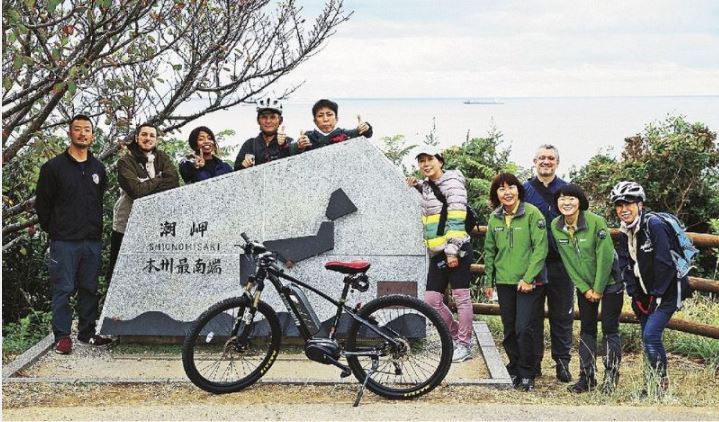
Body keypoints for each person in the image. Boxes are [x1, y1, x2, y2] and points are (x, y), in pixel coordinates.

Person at [35, 114, 113, 353]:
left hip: (91, 239)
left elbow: (99, 199)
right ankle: (62, 336)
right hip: (64, 241)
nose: (82, 134)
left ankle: (87, 332)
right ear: (70, 133)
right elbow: (43, 206)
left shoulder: (98, 167)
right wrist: (56, 230)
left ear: (93, 135)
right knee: (63, 288)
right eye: (77, 129)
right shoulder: (52, 168)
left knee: (89, 287)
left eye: (87, 130)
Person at [611, 181, 690, 396]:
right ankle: (652, 386)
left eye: (628, 203)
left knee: (650, 336)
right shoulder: (624, 231)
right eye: (619, 205)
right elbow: (626, 264)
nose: (623, 209)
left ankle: (659, 388)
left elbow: (664, 262)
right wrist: (636, 295)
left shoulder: (653, 224)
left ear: (640, 204)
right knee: (649, 337)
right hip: (645, 294)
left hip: (668, 291)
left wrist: (656, 295)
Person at [550, 184, 623, 394]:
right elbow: (568, 261)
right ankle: (587, 377)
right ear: (557, 203)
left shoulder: (595, 221)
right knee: (587, 330)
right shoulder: (556, 226)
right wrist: (584, 288)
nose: (567, 202)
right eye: (562, 199)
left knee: (610, 329)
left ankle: (610, 378)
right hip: (585, 287)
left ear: (580, 201)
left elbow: (605, 256)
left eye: (572, 198)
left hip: (609, 282)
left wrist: (598, 288)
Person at [405, 146, 474, 363]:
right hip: (437, 251)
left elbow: (456, 216)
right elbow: (435, 207)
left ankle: (464, 344)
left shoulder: (452, 183)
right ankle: (455, 335)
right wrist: (416, 186)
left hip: (456, 249)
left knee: (462, 298)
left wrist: (452, 250)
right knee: (431, 300)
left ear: (440, 161)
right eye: (421, 161)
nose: (426, 164)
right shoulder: (428, 186)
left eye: (430, 159)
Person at [483, 172, 548, 391]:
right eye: (501, 189)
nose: (507, 192)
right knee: (509, 328)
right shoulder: (495, 217)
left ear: (518, 190)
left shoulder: (532, 213)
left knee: (524, 328)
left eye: (511, 187)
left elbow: (541, 248)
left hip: (530, 282)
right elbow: (490, 251)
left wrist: (529, 278)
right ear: (496, 194)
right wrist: (488, 280)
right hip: (504, 281)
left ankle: (528, 372)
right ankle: (515, 367)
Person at [523, 144, 574, 382]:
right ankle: (533, 364)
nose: (546, 161)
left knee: (562, 315)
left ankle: (562, 363)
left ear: (557, 162)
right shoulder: (524, 190)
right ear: (534, 161)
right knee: (532, 316)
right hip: (532, 264)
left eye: (551, 158)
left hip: (561, 263)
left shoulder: (567, 190)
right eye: (541, 157)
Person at [109, 124, 179, 280]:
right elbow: (136, 191)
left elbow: (173, 182)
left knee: (150, 274)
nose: (148, 139)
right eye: (144, 135)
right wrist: (160, 178)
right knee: (120, 274)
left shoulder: (163, 158)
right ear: (137, 138)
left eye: (152, 136)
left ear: (156, 139)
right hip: (126, 225)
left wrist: (145, 183)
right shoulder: (126, 161)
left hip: (155, 225)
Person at [292, 99, 373, 153]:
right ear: (315, 121)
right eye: (320, 116)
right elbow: (291, 152)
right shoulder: (308, 138)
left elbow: (364, 133)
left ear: (336, 118)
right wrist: (299, 146)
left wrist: (366, 128)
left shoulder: (346, 135)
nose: (325, 119)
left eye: (329, 114)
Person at [234, 98, 293, 169]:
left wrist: (283, 146)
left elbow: (293, 166)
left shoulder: (288, 142)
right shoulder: (249, 144)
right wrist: (243, 166)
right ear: (258, 120)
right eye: (264, 117)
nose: (268, 121)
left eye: (272, 117)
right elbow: (235, 171)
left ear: (280, 120)